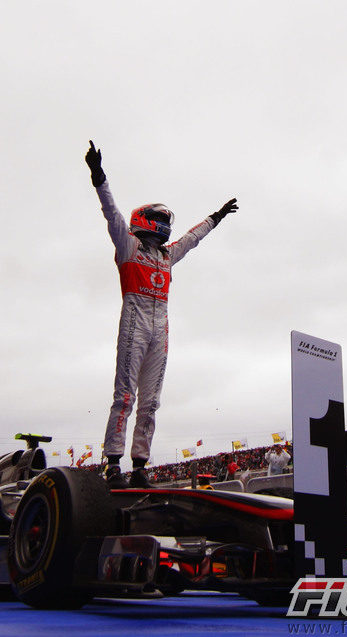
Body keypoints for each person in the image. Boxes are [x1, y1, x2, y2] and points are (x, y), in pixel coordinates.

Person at [85, 141, 238, 488]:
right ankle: (112, 463)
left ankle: (140, 465)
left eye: (164, 221)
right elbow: (111, 212)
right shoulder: (128, 246)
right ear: (144, 221)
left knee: (151, 401)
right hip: (134, 321)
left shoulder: (168, 256)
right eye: (157, 220)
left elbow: (192, 238)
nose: (163, 226)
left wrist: (216, 217)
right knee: (125, 395)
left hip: (162, 326)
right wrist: (99, 175)